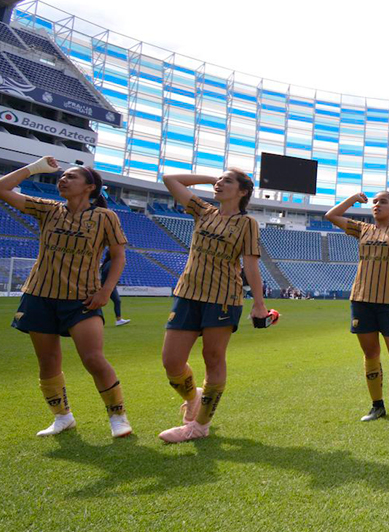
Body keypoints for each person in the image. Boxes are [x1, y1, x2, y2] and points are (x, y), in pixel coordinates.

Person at [1, 157, 132, 438]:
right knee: (48, 361)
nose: (63, 179)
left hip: (82, 298)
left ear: (89, 187)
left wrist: (105, 290)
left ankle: (118, 416)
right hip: (40, 295)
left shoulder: (106, 217)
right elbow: (2, 189)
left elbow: (119, 256)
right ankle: (63, 417)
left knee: (93, 359)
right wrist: (34, 168)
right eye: (62, 177)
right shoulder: (48, 209)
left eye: (71, 177)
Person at [159, 168, 269, 443]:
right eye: (219, 180)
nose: (220, 184)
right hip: (187, 294)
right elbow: (170, 180)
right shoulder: (202, 210)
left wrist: (259, 304)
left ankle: (199, 426)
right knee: (172, 362)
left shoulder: (247, 223)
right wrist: (212, 179)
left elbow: (251, 266)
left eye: (227, 181)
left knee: (213, 358)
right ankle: (193, 397)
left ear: (243, 192)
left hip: (223, 298)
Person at [325, 189, 389, 433]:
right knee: (370, 354)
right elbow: (331, 215)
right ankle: (377, 405)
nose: (378, 205)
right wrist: (352, 199)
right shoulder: (363, 229)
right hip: (361, 299)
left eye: (384, 202)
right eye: (376, 201)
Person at [100, 250, 130, 327]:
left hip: (108, 286)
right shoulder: (111, 264)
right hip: (108, 286)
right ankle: (118, 320)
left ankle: (119, 319)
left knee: (116, 301)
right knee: (116, 301)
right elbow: (107, 275)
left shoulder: (108, 263)